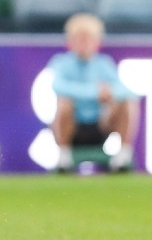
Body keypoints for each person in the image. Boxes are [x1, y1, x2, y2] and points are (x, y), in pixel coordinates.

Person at [49, 12, 139, 174]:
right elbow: (58, 86)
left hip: (101, 125)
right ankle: (64, 156)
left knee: (126, 103)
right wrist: (95, 92)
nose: (83, 43)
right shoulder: (61, 63)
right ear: (70, 42)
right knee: (64, 102)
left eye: (88, 38)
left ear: (97, 42)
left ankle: (123, 155)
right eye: (79, 38)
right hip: (73, 127)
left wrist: (109, 93)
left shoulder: (104, 64)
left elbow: (126, 91)